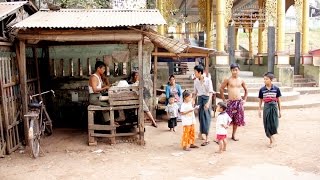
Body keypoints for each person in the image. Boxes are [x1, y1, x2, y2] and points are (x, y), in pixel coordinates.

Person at [220, 63, 248, 141]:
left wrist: (244, 99)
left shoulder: (241, 80)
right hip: (230, 102)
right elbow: (221, 89)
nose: (234, 72)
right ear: (231, 71)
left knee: (236, 119)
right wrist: (224, 100)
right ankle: (222, 135)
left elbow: (246, 90)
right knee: (226, 119)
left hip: (239, 102)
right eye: (233, 70)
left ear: (239, 70)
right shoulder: (228, 80)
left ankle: (233, 135)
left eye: (236, 70)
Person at [258, 72, 282, 148]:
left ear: (271, 80)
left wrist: (280, 110)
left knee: (274, 124)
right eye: (264, 79)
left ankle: (272, 138)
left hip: (274, 106)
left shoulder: (276, 89)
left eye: (266, 79)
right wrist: (259, 110)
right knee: (267, 124)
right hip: (266, 107)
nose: (264, 80)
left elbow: (278, 100)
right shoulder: (262, 89)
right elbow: (260, 100)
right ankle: (272, 140)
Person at [193, 65, 214, 146]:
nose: (194, 74)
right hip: (200, 99)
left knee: (207, 118)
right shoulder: (196, 81)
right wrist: (193, 101)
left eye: (195, 72)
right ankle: (201, 133)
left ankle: (207, 138)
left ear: (199, 72)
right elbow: (195, 93)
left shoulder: (208, 80)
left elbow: (211, 92)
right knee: (201, 117)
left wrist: (208, 103)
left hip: (206, 99)